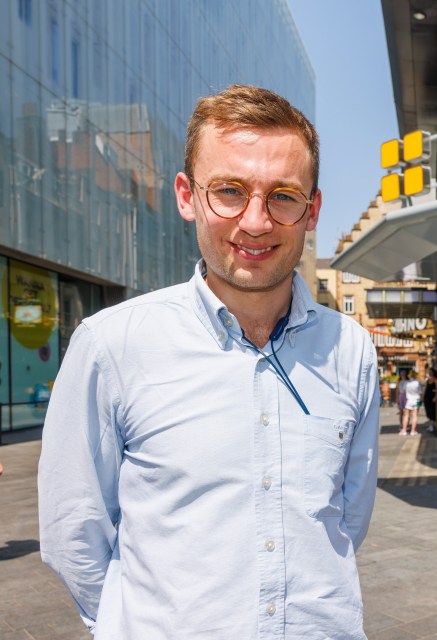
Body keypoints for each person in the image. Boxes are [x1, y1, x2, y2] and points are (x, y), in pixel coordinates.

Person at [37, 85, 379, 639]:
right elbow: (73, 532)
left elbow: (345, 521)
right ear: (187, 196)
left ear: (312, 210)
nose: (256, 221)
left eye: (283, 196)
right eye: (229, 191)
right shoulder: (111, 346)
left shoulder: (353, 351)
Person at [401, 370, 423, 435]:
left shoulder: (406, 383)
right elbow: (421, 392)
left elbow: (403, 391)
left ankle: (404, 430)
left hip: (409, 400)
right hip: (417, 400)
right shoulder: (418, 383)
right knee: (415, 415)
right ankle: (413, 431)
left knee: (406, 415)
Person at [423, 367, 437, 433]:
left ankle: (432, 425)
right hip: (427, 397)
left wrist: (436, 396)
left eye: (431, 372)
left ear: (433, 372)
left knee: (432, 411)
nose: (430, 373)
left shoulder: (435, 380)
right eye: (429, 372)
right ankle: (431, 425)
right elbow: (425, 389)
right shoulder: (427, 380)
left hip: (432, 398)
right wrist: (422, 397)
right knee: (428, 411)